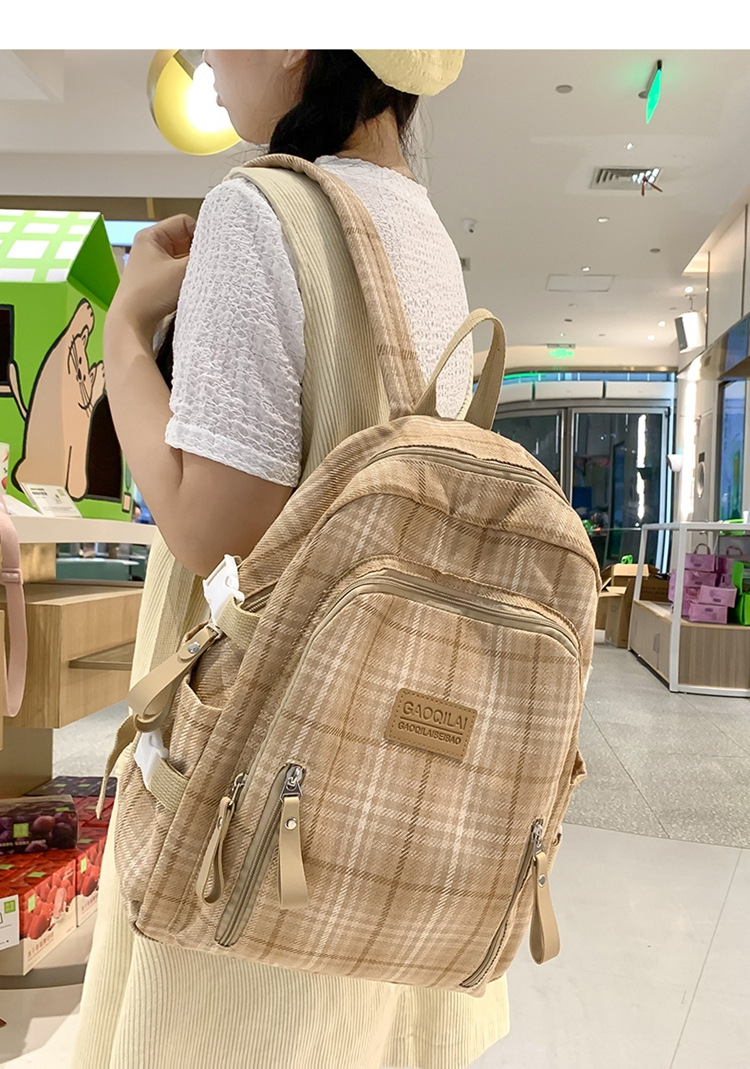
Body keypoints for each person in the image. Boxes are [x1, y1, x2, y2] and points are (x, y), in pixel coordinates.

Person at [73, 49, 510, 1069]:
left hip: (261, 786)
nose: (204, 51)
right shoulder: (422, 228)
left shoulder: (259, 206)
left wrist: (129, 328)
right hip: (379, 775)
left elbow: (212, 530)